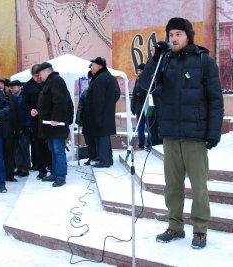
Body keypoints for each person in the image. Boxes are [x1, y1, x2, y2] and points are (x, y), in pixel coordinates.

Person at [138, 17, 224, 249]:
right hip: (170, 134)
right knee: (172, 186)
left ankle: (200, 230)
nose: (173, 38)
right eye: (170, 34)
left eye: (178, 34)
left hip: (195, 135)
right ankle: (175, 227)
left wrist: (213, 132)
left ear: (188, 36)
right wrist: (154, 58)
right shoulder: (164, 61)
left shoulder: (204, 61)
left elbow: (216, 100)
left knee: (198, 186)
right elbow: (144, 85)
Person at [36, 62, 74, 187]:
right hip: (50, 125)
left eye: (40, 73)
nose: (39, 76)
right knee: (53, 150)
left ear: (47, 71)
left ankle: (61, 176)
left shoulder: (56, 80)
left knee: (58, 150)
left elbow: (60, 101)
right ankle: (54, 173)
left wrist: (56, 118)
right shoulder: (49, 82)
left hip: (56, 125)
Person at [83, 57, 120, 168]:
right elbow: (116, 94)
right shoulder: (109, 77)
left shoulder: (100, 79)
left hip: (101, 114)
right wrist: (109, 105)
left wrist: (97, 116)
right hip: (106, 113)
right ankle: (108, 159)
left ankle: (105, 161)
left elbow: (97, 100)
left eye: (93, 65)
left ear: (99, 66)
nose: (91, 67)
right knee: (105, 137)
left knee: (102, 137)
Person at [22, 64, 52, 178]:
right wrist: (30, 110)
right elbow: (24, 103)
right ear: (33, 75)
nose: (39, 77)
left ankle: (51, 165)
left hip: (48, 118)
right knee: (38, 145)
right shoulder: (28, 86)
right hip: (36, 120)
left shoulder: (47, 82)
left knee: (50, 143)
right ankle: (41, 169)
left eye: (40, 75)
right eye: (36, 76)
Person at [0, 76, 21, 182]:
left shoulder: (12, 97)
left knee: (10, 154)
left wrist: (18, 129)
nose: (0, 85)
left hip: (9, 131)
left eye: (1, 83)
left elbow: (17, 114)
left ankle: (10, 174)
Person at [75, 70, 98, 166]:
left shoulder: (86, 91)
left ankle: (92, 157)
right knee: (94, 140)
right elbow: (81, 106)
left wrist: (78, 120)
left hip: (88, 121)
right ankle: (94, 156)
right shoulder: (91, 91)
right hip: (94, 121)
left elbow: (81, 107)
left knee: (90, 141)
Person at [9, 80, 31, 177]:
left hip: (24, 126)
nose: (11, 89)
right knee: (17, 149)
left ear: (19, 87)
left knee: (24, 148)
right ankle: (19, 167)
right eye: (11, 87)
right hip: (16, 127)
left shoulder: (23, 97)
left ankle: (25, 168)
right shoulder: (12, 98)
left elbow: (27, 113)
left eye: (13, 87)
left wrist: (27, 126)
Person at [131, 63, 152, 151]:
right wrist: (133, 106)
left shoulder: (149, 79)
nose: (138, 72)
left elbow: (150, 91)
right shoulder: (137, 79)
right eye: (138, 70)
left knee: (149, 126)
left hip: (149, 105)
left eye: (140, 70)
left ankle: (150, 144)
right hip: (139, 106)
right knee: (140, 127)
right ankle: (140, 145)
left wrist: (142, 93)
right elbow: (135, 93)